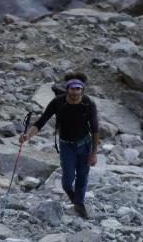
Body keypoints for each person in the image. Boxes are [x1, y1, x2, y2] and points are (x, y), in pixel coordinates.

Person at [19, 72, 99, 220]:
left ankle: (79, 204)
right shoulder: (58, 103)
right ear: (67, 88)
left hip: (85, 145)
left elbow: (95, 130)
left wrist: (94, 153)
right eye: (72, 88)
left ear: (82, 89)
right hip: (66, 145)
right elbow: (41, 122)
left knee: (83, 176)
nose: (75, 91)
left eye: (78, 88)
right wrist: (27, 136)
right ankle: (71, 193)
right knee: (67, 180)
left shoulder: (88, 104)